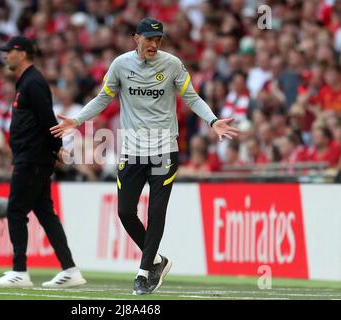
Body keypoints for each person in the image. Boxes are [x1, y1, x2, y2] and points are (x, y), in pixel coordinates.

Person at [50, 18, 239, 295]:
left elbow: (191, 97)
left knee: (156, 211)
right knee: (125, 212)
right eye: (149, 38)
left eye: (158, 39)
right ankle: (158, 261)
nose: (154, 44)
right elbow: (103, 98)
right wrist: (77, 121)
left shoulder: (172, 64)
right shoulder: (120, 65)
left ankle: (143, 272)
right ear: (135, 38)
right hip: (132, 150)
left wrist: (213, 121)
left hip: (164, 149)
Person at [0, 36, 86, 288]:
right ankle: (70, 269)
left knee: (16, 209)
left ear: (22, 53)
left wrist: (56, 150)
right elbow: (43, 120)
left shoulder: (32, 82)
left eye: (9, 51)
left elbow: (47, 120)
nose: (5, 55)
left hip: (32, 158)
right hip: (33, 157)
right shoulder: (28, 81)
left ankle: (19, 271)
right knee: (44, 212)